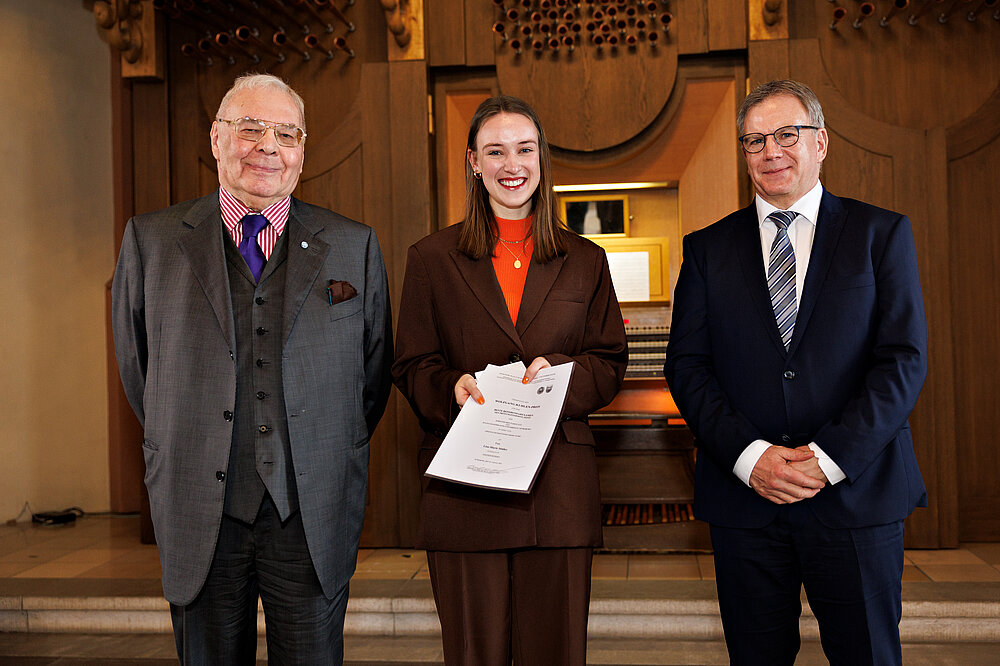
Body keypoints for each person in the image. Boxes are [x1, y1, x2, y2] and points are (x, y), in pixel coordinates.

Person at [112, 73, 393, 664]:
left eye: (286, 134)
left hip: (309, 511)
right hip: (199, 507)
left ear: (302, 151)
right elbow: (141, 373)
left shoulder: (355, 245)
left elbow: (370, 380)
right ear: (216, 139)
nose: (269, 146)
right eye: (250, 129)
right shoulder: (151, 241)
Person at [663, 79, 928, 665]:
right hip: (745, 502)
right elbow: (687, 365)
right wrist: (750, 456)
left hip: (856, 495)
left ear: (821, 142)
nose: (771, 152)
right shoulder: (707, 249)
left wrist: (827, 459)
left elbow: (903, 359)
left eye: (787, 134)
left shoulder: (880, 234)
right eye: (755, 140)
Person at [392, 95, 628, 665]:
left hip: (558, 490)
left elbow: (608, 360)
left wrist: (563, 375)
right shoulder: (431, 258)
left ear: (542, 158)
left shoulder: (585, 259)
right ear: (474, 162)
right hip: (466, 488)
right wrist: (450, 387)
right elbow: (411, 363)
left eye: (524, 149)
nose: (512, 164)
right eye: (495, 151)